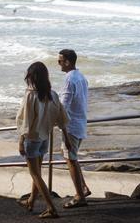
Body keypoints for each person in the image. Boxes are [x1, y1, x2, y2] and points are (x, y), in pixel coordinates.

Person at [16, 61, 73, 219]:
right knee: (38, 173)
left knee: (35, 174)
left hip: (32, 139)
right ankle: (31, 201)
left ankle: (51, 208)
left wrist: (21, 141)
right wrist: (66, 138)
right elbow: (62, 118)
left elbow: (26, 122)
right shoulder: (52, 94)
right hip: (44, 140)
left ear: (32, 76)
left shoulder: (30, 95)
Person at [58, 48, 91, 208]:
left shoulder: (69, 79)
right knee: (73, 157)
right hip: (80, 123)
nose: (58, 64)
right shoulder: (81, 77)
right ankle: (83, 188)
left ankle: (79, 196)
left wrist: (55, 120)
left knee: (70, 160)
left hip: (70, 126)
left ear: (67, 62)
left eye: (60, 61)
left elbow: (64, 105)